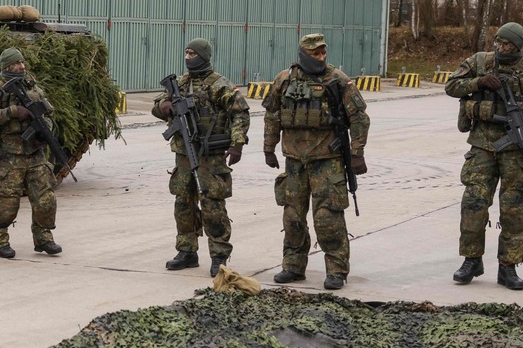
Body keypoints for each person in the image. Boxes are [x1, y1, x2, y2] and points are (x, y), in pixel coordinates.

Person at [444, 22, 523, 290]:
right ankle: (471, 260)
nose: (502, 48)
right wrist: (478, 81)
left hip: (515, 151)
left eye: (508, 44)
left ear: (519, 46)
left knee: (514, 209)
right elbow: (451, 86)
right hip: (481, 148)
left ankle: (508, 267)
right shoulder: (479, 61)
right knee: (474, 204)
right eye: (499, 42)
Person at [262, 33, 369, 290]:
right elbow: (272, 114)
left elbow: (359, 118)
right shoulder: (284, 80)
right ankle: (293, 266)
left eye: (323, 53)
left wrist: (357, 153)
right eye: (315, 54)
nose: (320, 57)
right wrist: (269, 148)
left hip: (327, 161)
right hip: (294, 162)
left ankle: (336, 270)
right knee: (292, 216)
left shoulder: (338, 80)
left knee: (327, 218)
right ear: (303, 54)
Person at [151, 38, 251, 277]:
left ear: (204, 56)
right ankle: (187, 251)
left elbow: (240, 113)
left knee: (212, 204)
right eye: (186, 52)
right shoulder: (181, 83)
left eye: (192, 53)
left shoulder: (218, 84)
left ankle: (219, 255)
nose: (188, 57)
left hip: (210, 155)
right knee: (183, 202)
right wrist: (166, 106)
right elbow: (157, 103)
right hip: (184, 153)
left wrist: (237, 144)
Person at [0, 47, 62, 259]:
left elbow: (49, 113)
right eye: (17, 64)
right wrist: (13, 112)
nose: (22, 66)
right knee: (7, 203)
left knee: (46, 199)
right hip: (9, 156)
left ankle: (43, 238)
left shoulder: (33, 87)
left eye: (22, 63)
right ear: (7, 66)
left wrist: (45, 129)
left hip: (35, 154)